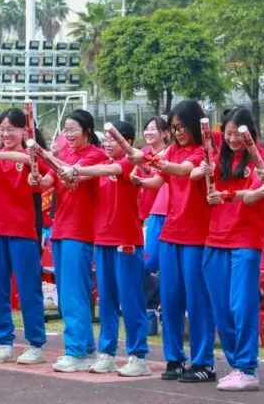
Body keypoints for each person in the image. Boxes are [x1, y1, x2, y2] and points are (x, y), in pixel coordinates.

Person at [131, 100, 215, 383]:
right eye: (174, 128)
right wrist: (140, 178)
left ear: (194, 123)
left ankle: (203, 361)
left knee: (197, 299)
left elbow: (185, 171)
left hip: (196, 234)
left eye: (181, 127)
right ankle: (175, 358)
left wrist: (155, 160)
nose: (177, 132)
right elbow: (160, 179)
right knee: (170, 297)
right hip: (170, 231)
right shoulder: (173, 150)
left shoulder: (203, 149)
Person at [200, 107, 264, 392]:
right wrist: (202, 171)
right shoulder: (217, 159)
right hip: (214, 239)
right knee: (220, 308)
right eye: (228, 133)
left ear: (250, 134)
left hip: (245, 239)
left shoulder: (261, 159)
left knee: (240, 306)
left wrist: (231, 195)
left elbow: (257, 194)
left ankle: (247, 367)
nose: (232, 139)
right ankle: (237, 365)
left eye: (237, 134)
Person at [71, 120, 151, 377]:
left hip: (126, 240)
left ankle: (138, 356)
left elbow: (108, 171)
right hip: (102, 240)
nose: (106, 144)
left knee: (131, 301)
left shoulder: (129, 163)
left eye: (112, 139)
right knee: (106, 301)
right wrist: (69, 172)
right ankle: (107, 353)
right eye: (104, 140)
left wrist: (78, 171)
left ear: (125, 141)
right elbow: (83, 178)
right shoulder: (102, 167)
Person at [35, 110, 105, 373]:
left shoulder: (95, 155)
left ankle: (75, 350)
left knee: (75, 293)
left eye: (73, 129)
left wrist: (53, 161)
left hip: (81, 231)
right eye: (66, 130)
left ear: (87, 130)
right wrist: (39, 177)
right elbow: (48, 181)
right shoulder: (64, 153)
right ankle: (85, 348)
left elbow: (76, 175)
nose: (69, 134)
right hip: (61, 229)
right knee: (66, 295)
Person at [0, 108, 48, 365]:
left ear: (24, 131)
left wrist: (38, 180)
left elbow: (48, 177)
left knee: (29, 289)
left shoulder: (31, 156)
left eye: (11, 129)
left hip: (21, 230)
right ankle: (4, 343)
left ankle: (36, 344)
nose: (6, 134)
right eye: (1, 129)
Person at [138, 117, 171, 278]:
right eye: (146, 128)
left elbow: (157, 181)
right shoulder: (143, 153)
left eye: (153, 128)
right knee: (147, 260)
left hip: (164, 210)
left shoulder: (170, 154)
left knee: (160, 260)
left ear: (165, 133)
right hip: (145, 212)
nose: (148, 132)